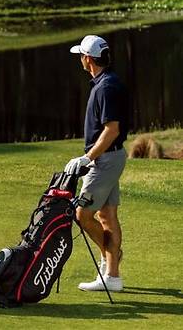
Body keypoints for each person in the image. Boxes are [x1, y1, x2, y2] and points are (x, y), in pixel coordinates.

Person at [65, 34, 129, 292]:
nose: (80, 59)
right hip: (110, 158)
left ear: (88, 59)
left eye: (81, 55)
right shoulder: (106, 82)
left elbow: (112, 130)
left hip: (105, 160)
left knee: (82, 214)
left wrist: (87, 157)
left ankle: (111, 259)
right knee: (107, 214)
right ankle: (112, 275)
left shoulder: (105, 87)